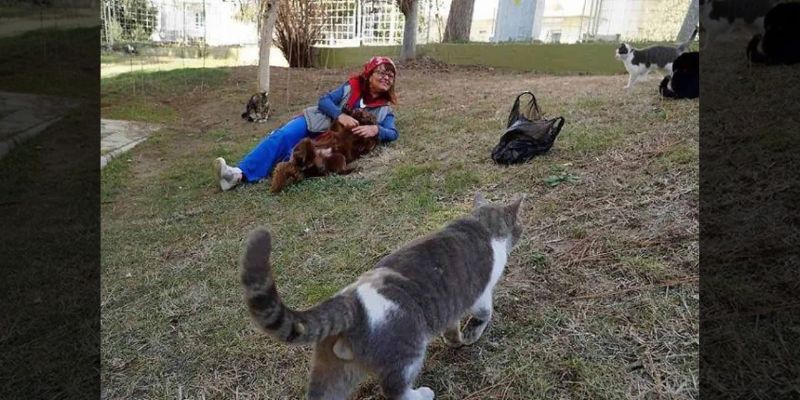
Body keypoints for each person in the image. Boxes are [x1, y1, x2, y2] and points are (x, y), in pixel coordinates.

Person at [213, 56, 399, 191]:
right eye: (382, 72)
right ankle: (237, 174)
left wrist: (376, 129)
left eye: (391, 76)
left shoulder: (384, 109)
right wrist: (339, 115)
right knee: (283, 136)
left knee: (298, 154)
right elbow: (324, 100)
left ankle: (276, 170)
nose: (386, 78)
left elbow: (392, 132)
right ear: (369, 74)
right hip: (318, 121)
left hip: (335, 142)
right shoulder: (352, 86)